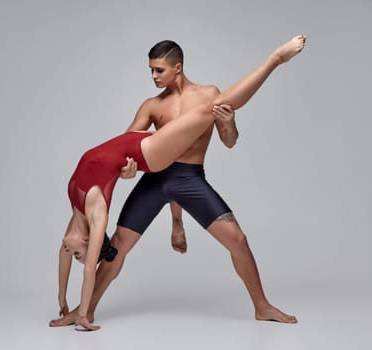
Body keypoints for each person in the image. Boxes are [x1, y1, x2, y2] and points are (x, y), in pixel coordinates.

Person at [51, 35, 306, 330]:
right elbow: (126, 148)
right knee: (118, 246)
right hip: (155, 180)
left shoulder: (209, 94)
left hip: (190, 179)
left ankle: (262, 307)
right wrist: (129, 174)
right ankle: (87, 310)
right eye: (151, 70)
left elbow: (230, 142)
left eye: (158, 70)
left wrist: (228, 123)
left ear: (178, 67)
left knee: (238, 241)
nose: (153, 76)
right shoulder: (151, 106)